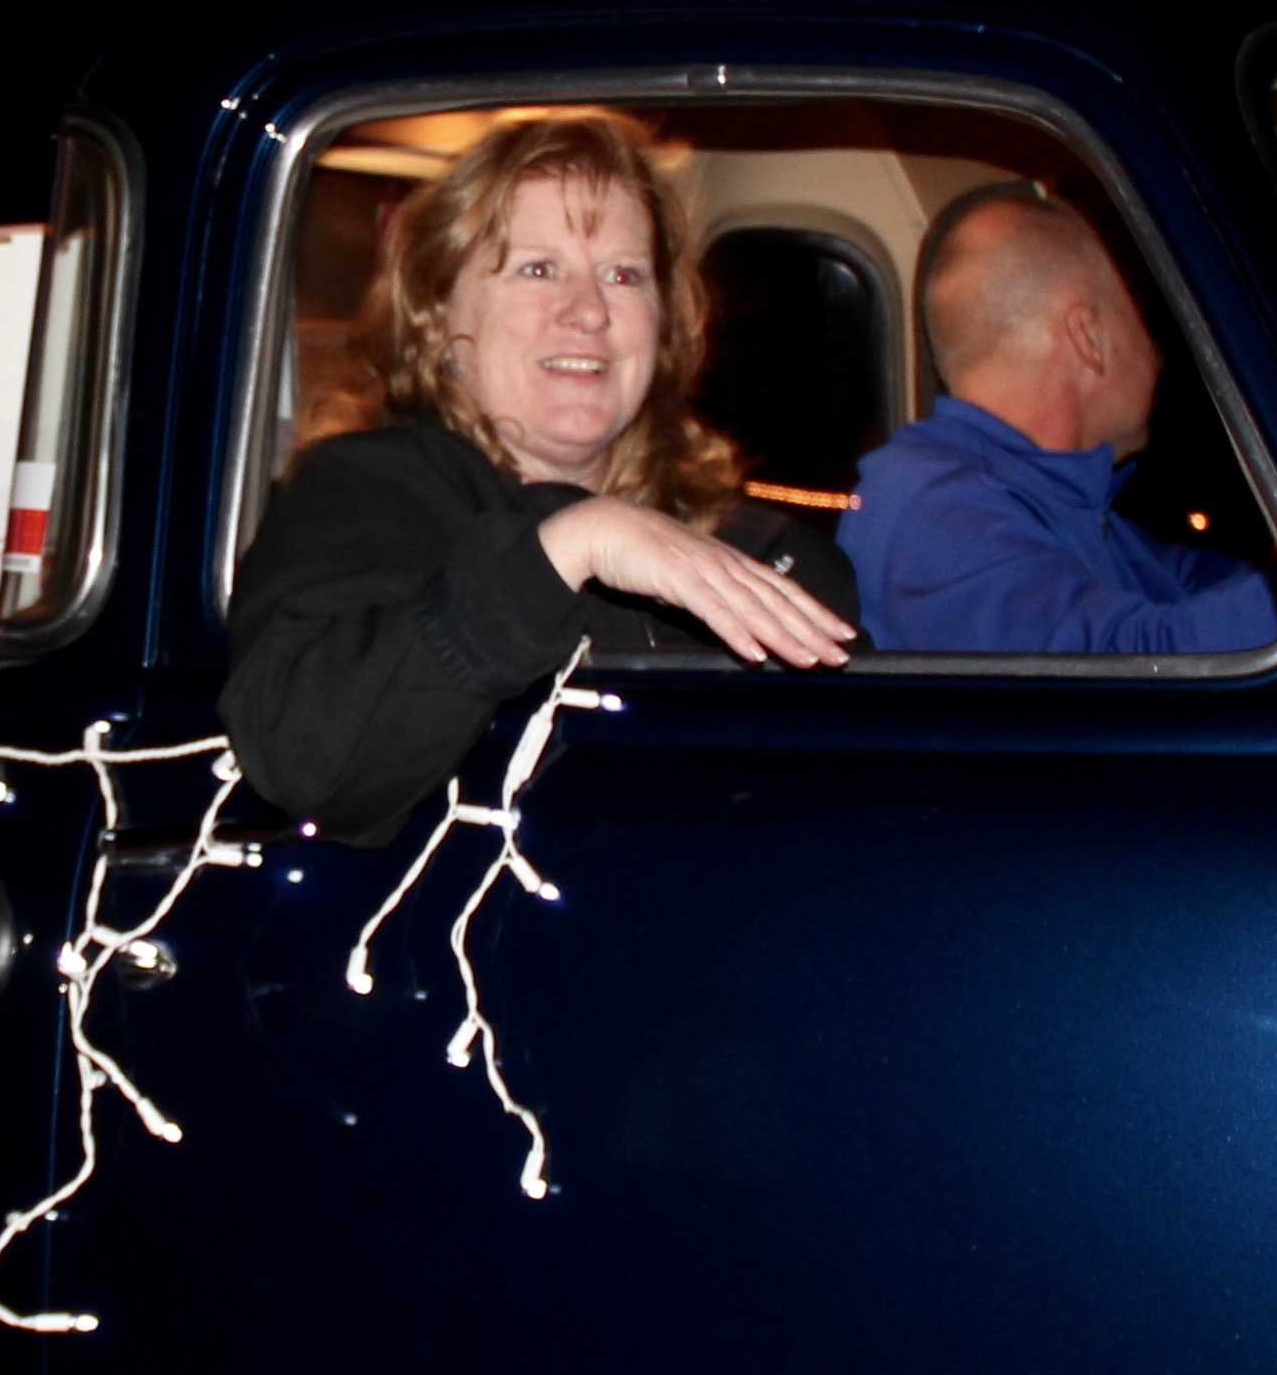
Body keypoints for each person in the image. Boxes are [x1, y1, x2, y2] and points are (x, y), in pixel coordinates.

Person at [226, 114, 854, 835]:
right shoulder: (362, 497)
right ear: (437, 314)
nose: (587, 312)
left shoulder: (767, 548)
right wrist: (569, 547)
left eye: (623, 275)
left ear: (664, 322)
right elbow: (309, 765)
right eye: (537, 269)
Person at [838, 184, 1277, 656]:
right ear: (1089, 337)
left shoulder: (1069, 505)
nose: (1157, 355)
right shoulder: (932, 508)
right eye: (1138, 321)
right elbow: (1123, 672)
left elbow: (1199, 584)